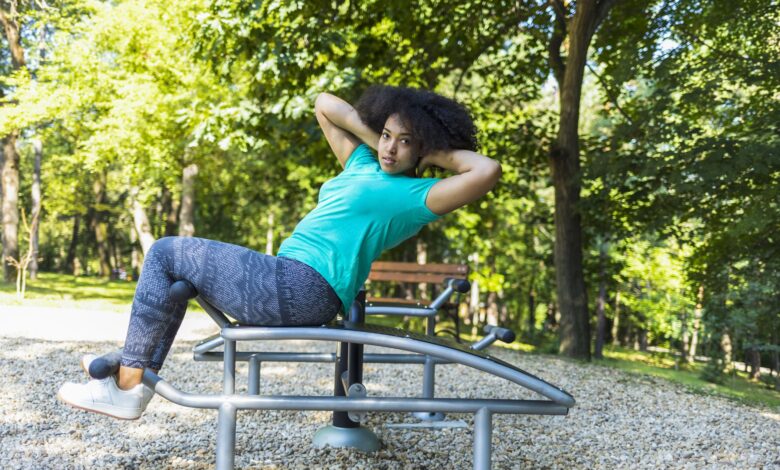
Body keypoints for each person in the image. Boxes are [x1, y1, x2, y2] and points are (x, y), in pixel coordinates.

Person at [57, 85, 501, 420]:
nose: (389, 147)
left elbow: (486, 169)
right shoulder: (363, 161)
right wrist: (392, 132)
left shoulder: (416, 195)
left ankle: (129, 383)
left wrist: (428, 149)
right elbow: (326, 103)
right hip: (285, 275)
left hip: (306, 287)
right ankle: (131, 372)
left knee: (165, 252)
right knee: (178, 276)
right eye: (386, 135)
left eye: (404, 142)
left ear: (422, 149)